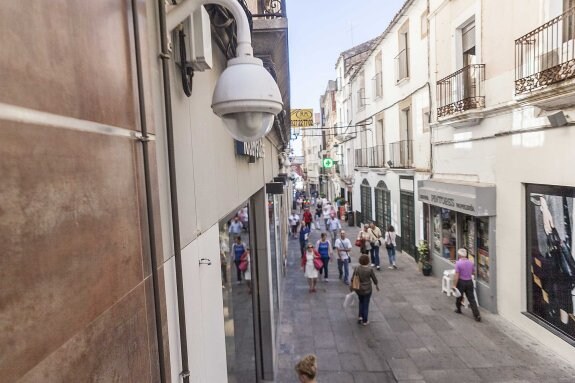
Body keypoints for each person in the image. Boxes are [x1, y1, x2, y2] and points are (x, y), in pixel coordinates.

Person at [453, 248, 481, 322]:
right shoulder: (471, 263)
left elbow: (456, 275)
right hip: (469, 282)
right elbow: (473, 273)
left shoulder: (458, 263)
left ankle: (458, 309)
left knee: (459, 296)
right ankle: (477, 315)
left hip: (461, 282)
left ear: (459, 255)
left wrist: (454, 285)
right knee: (471, 299)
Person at [352, 254, 379, 325]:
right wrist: (376, 284)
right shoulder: (369, 269)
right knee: (366, 304)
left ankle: (360, 316)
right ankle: (365, 320)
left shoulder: (357, 268)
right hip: (367, 289)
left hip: (359, 289)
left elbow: (353, 278)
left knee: (361, 302)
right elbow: (374, 278)